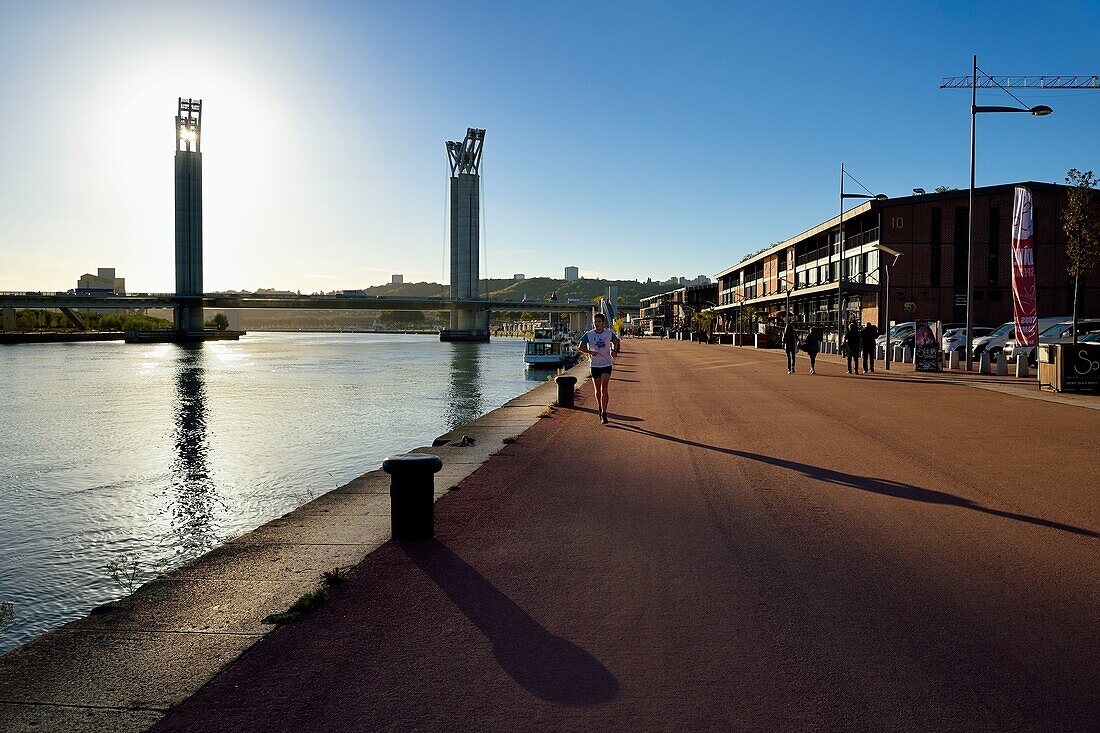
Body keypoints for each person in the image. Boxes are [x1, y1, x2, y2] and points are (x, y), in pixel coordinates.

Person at [578, 313, 620, 424]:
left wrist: (614, 351)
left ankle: (604, 414)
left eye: (599, 322)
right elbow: (580, 347)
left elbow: (616, 342)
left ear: (603, 323)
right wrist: (590, 352)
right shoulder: (589, 334)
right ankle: (600, 407)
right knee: (597, 391)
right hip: (595, 365)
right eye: (595, 322)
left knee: (604, 389)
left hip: (606, 364)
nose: (597, 324)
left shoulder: (609, 333)